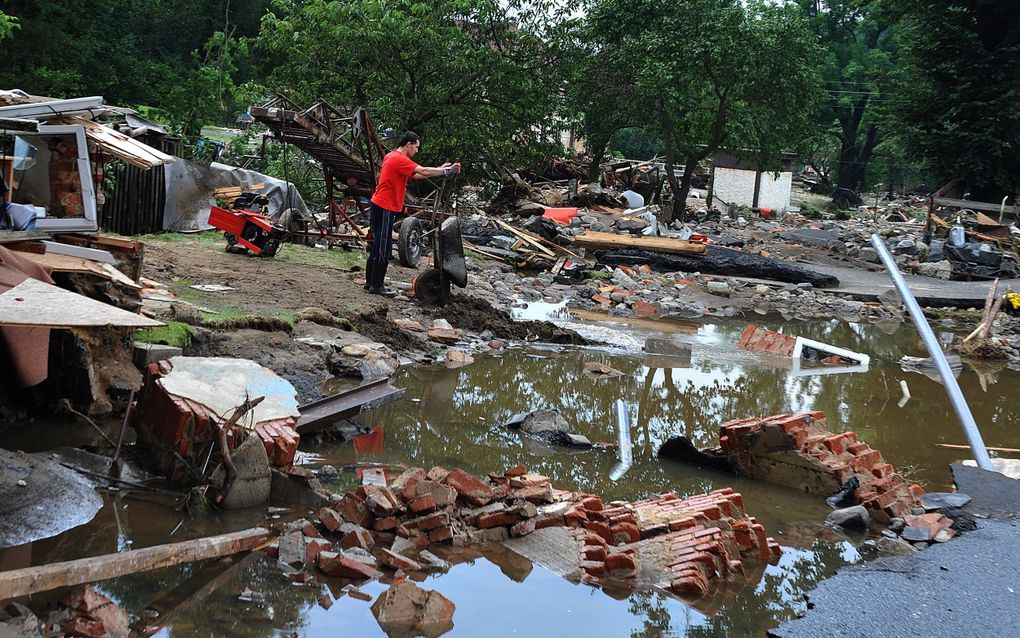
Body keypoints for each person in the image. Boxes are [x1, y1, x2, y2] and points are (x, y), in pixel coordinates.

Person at [365, 132, 460, 296]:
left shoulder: (391, 156)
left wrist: (440, 169)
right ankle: (377, 286)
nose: (416, 151)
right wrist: (446, 171)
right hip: (385, 205)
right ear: (409, 144)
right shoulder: (399, 159)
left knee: (378, 243)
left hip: (379, 203)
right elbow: (422, 171)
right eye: (416, 147)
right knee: (383, 245)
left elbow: (415, 174)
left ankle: (370, 282)